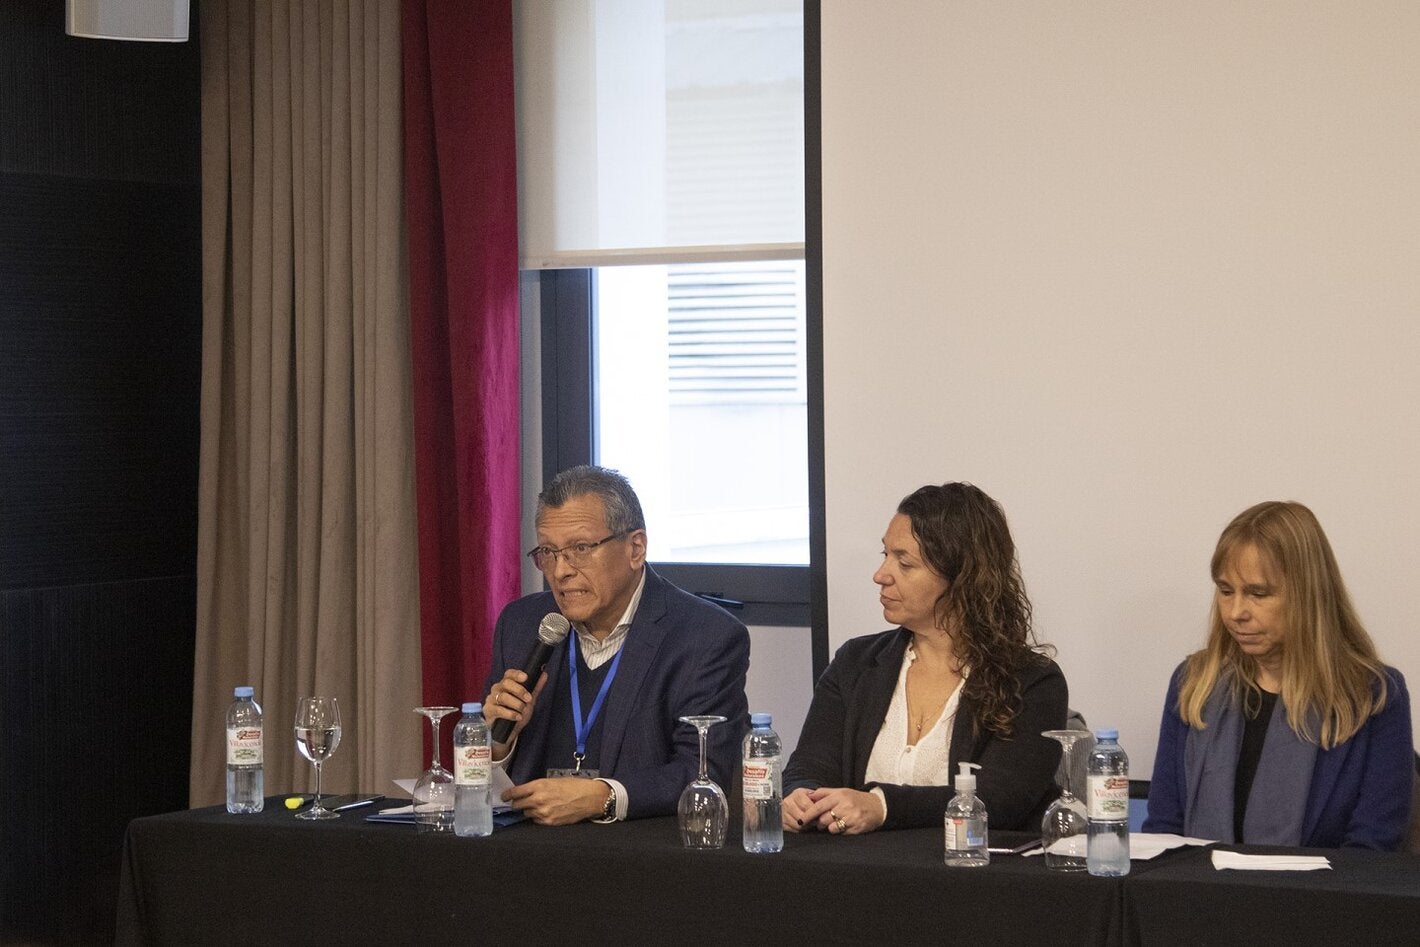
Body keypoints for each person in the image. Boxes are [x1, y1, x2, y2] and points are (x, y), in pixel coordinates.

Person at [781, 482, 1068, 834]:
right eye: (884, 554)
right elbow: (810, 764)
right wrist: (800, 796)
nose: (881, 575)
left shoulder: (1033, 680)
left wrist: (882, 806)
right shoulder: (855, 662)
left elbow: (1002, 800)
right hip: (856, 874)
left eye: (904, 562)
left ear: (962, 578)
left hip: (973, 879)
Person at [482, 465, 750, 825]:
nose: (561, 571)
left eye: (579, 548)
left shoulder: (705, 635)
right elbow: (487, 777)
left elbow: (702, 771)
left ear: (635, 548)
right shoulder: (523, 623)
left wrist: (604, 796)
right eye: (548, 552)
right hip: (529, 850)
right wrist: (498, 743)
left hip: (640, 857)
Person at [1144, 501, 1414, 849]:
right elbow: (1163, 830)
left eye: (1258, 593)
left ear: (1308, 595)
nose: (1237, 612)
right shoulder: (1194, 682)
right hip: (1199, 896)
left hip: (1319, 900)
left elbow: (1372, 848)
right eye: (1226, 591)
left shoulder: (1374, 695)